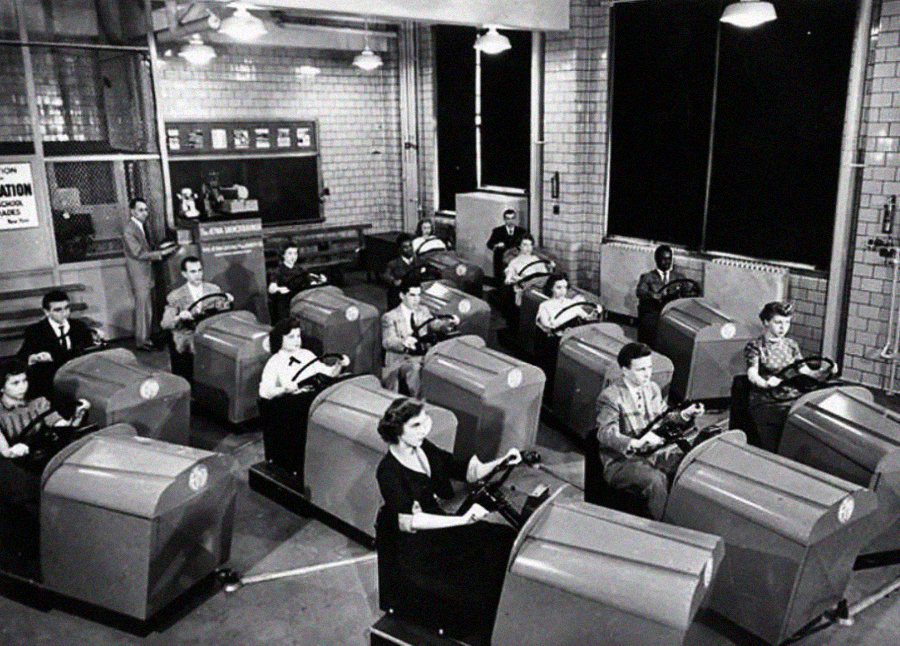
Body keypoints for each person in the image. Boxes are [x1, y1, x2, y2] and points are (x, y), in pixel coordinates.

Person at [375, 397, 520, 644]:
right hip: (415, 547)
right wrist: (462, 521)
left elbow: (467, 471)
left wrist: (502, 461)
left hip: (437, 525)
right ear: (397, 431)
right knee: (481, 565)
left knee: (503, 537)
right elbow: (410, 522)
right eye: (416, 426)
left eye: (424, 423)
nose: (424, 430)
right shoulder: (388, 471)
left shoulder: (423, 448)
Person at [595, 342, 704, 520]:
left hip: (652, 453)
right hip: (621, 461)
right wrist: (635, 443)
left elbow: (663, 417)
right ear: (625, 371)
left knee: (687, 466)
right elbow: (605, 432)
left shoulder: (652, 388)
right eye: (641, 370)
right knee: (656, 481)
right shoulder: (611, 396)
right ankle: (657, 527)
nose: (648, 374)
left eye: (649, 368)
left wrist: (685, 414)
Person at [0, 360, 90, 568]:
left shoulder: (39, 403)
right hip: (13, 465)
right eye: (15, 383)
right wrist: (13, 450)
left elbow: (61, 426)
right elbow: (4, 450)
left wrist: (77, 416)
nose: (22, 387)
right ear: (2, 388)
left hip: (40, 459)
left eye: (24, 381)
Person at [257, 318, 349, 483]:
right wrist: (285, 389)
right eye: (291, 337)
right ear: (280, 339)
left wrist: (339, 365)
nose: (297, 341)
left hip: (314, 400)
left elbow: (327, 374)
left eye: (298, 336)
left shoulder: (307, 354)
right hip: (290, 407)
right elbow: (264, 392)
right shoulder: (275, 362)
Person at [744, 301, 833, 451]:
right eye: (778, 323)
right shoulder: (755, 346)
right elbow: (752, 374)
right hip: (768, 400)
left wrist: (826, 371)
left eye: (787, 323)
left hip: (791, 397)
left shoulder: (791, 345)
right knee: (775, 445)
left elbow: (806, 371)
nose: (783, 328)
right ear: (766, 322)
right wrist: (765, 384)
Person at [160, 256, 233, 384]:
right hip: (188, 335)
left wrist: (228, 300)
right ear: (184, 274)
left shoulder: (214, 289)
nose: (198, 275)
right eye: (193, 272)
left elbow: (222, 310)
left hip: (209, 333)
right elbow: (165, 323)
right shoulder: (175, 296)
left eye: (200, 270)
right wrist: (179, 317)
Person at [16, 289, 98, 400]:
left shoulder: (79, 326)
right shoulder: (35, 331)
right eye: (58, 310)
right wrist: (32, 358)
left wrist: (53, 357)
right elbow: (21, 357)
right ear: (46, 312)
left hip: (78, 377)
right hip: (50, 381)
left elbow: (87, 352)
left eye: (67, 308)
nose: (64, 313)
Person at [535, 274, 600, 398]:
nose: (563, 291)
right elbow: (547, 326)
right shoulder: (545, 306)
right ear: (551, 288)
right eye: (558, 287)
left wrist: (594, 314)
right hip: (555, 341)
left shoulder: (572, 303)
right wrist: (565, 323)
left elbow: (586, 318)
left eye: (565, 287)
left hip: (573, 339)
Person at [123, 197, 176, 350]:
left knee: (147, 308)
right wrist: (161, 253)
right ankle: (142, 341)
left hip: (146, 274)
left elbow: (145, 248)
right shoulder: (129, 229)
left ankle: (147, 337)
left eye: (146, 210)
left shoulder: (140, 226)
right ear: (132, 212)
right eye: (141, 210)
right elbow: (138, 253)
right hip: (140, 275)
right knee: (143, 309)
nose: (145, 213)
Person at [381, 277, 432, 397]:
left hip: (422, 355)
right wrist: (404, 342)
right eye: (412, 295)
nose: (416, 299)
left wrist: (447, 323)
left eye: (418, 295)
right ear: (402, 296)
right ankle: (419, 400)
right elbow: (388, 341)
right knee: (415, 368)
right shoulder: (390, 316)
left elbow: (433, 323)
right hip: (401, 359)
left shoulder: (423, 310)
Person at [636, 244, 686, 346]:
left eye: (669, 259)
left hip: (673, 311)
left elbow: (687, 290)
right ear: (657, 260)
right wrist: (651, 294)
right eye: (664, 259)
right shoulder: (648, 277)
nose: (667, 262)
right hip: (655, 312)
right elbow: (640, 291)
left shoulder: (678, 277)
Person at [501, 234, 551, 327]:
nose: (528, 248)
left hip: (539, 287)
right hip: (525, 291)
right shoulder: (514, 262)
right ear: (519, 246)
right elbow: (509, 274)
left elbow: (545, 275)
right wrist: (509, 278)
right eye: (525, 245)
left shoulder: (536, 259)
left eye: (530, 245)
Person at [267, 243, 326, 323]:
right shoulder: (277, 271)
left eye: (295, 253)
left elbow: (311, 282)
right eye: (290, 253)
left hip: (300, 303)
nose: (293, 256)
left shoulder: (300, 270)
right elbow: (271, 288)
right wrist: (279, 289)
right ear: (283, 255)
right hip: (286, 305)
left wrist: (320, 281)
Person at [486, 208, 528, 286]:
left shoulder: (521, 231)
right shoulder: (498, 231)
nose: (510, 221)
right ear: (504, 220)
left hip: (516, 261)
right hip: (501, 261)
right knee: (501, 283)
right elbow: (489, 244)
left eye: (512, 218)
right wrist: (497, 245)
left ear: (515, 219)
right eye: (508, 219)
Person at [382, 233, 422, 310]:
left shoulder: (419, 262)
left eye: (410, 246)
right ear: (400, 249)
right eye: (405, 247)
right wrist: (393, 281)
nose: (409, 249)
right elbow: (386, 275)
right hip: (400, 298)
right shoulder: (393, 264)